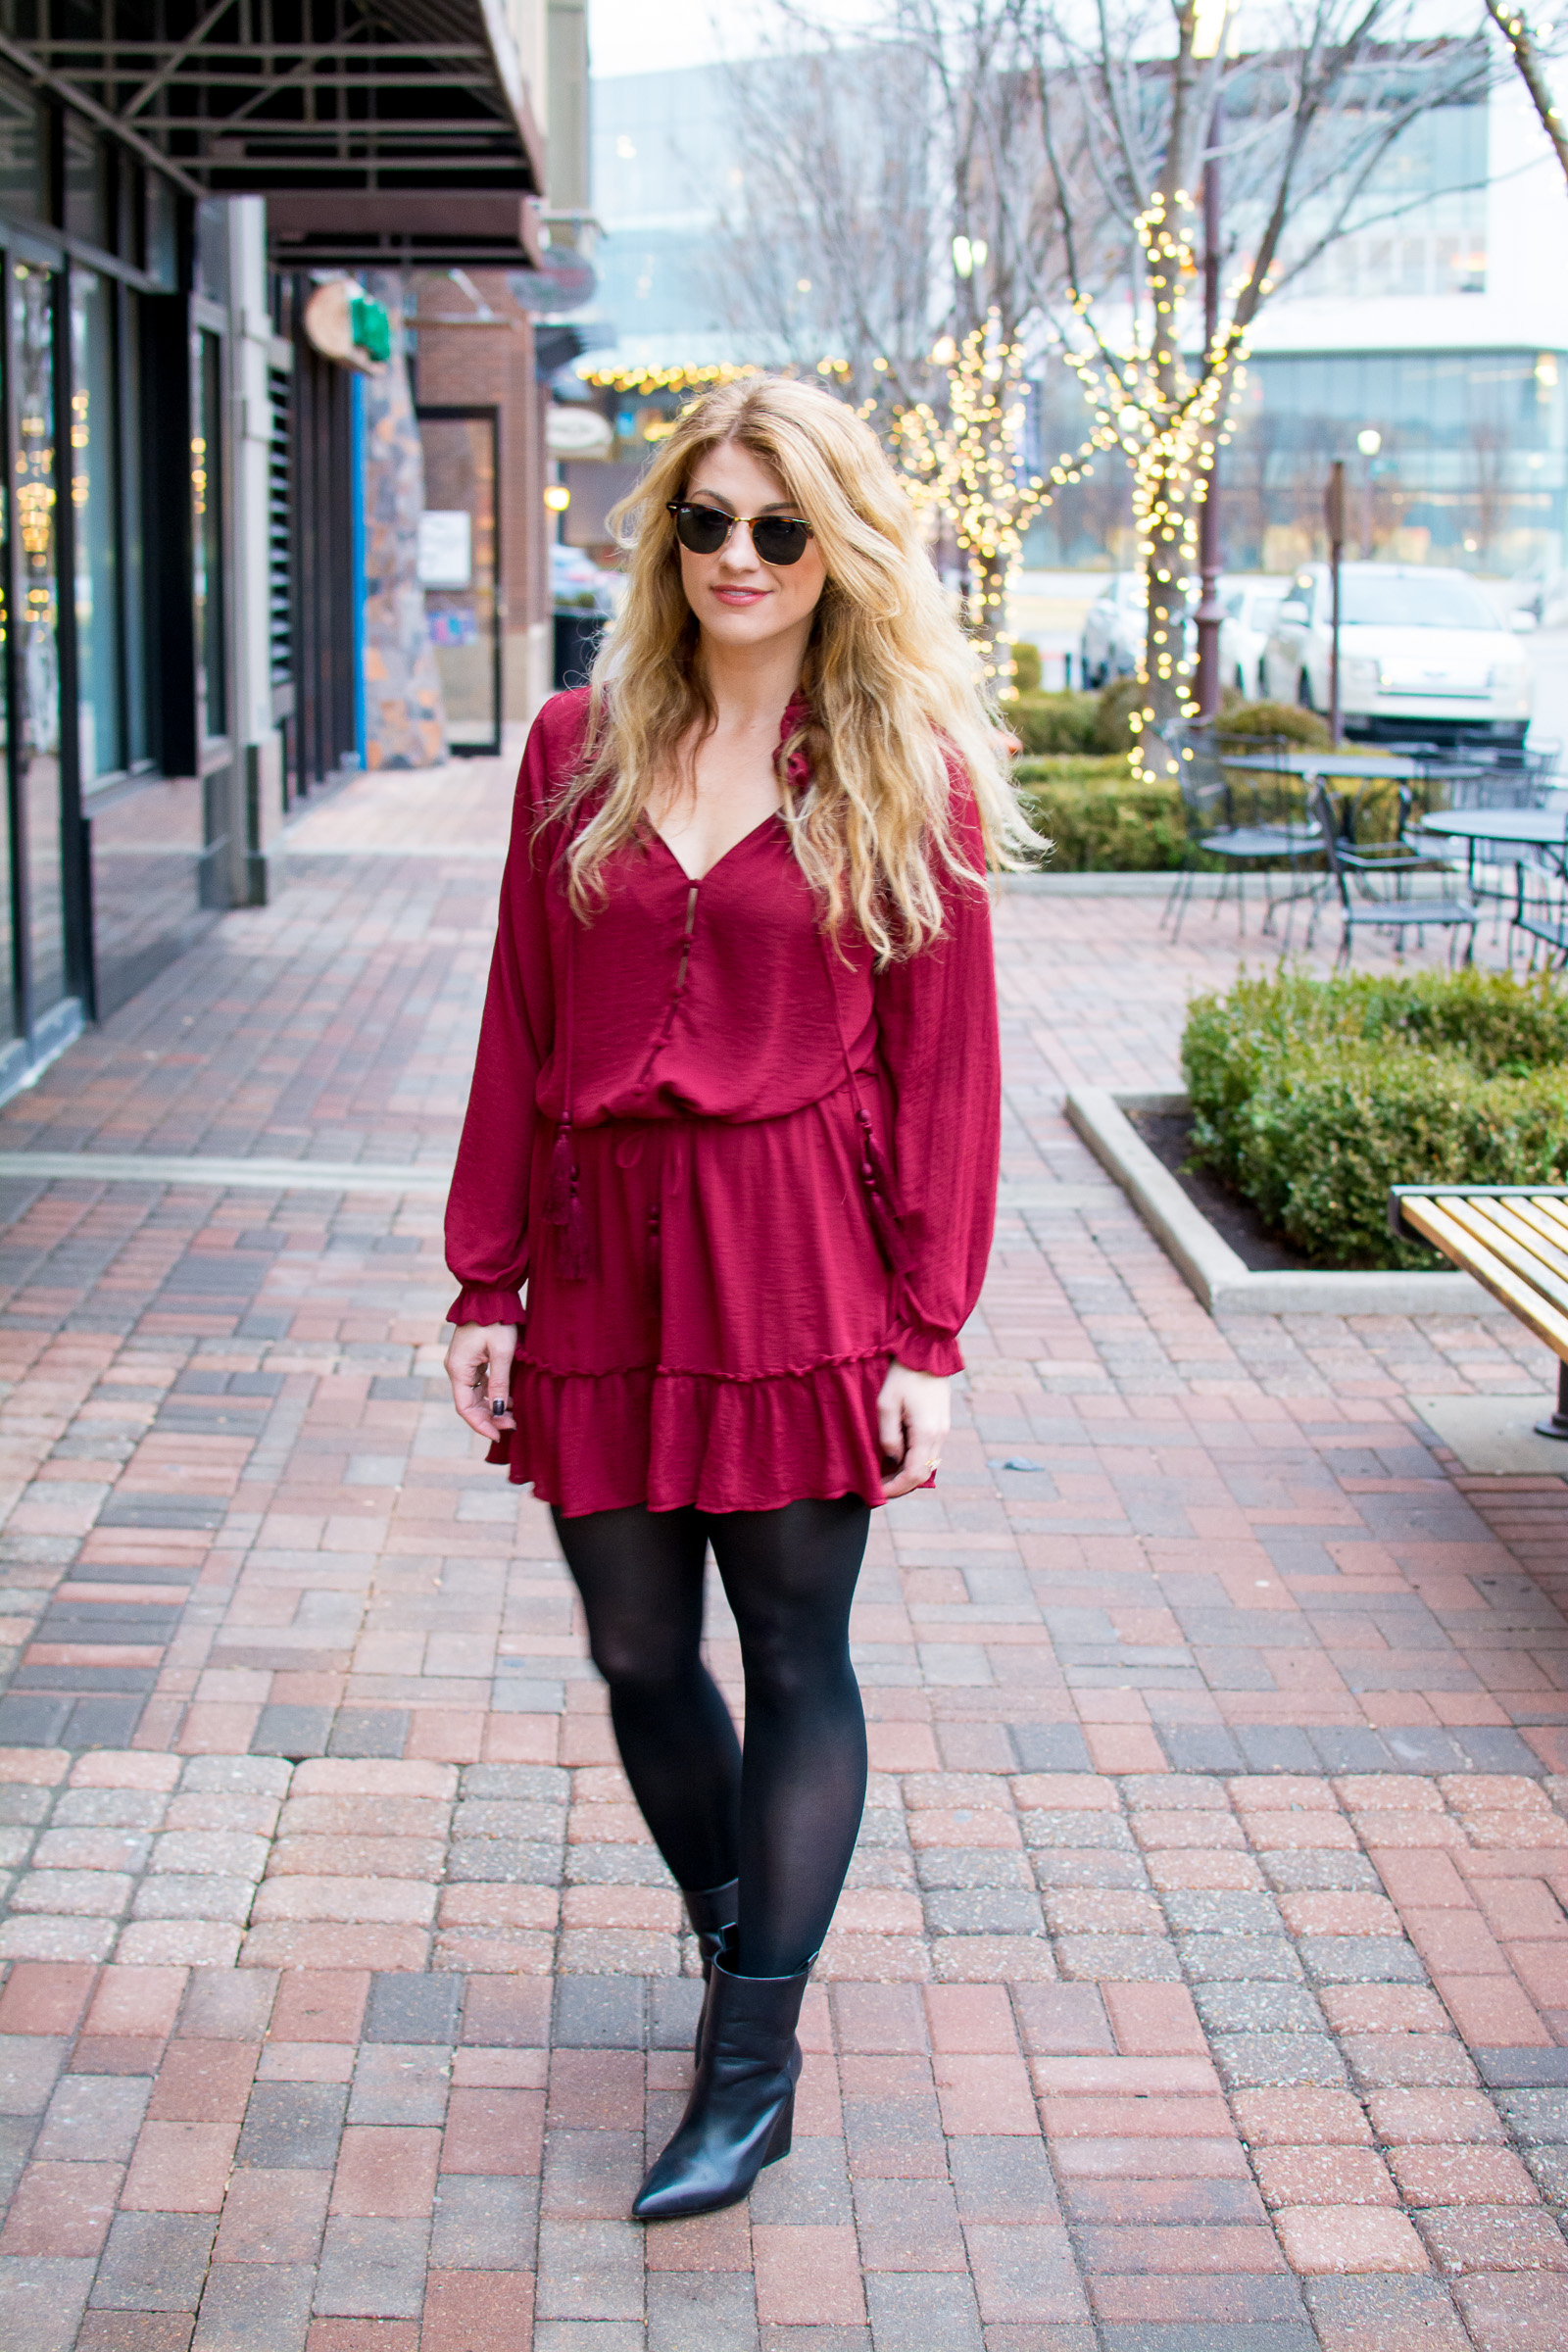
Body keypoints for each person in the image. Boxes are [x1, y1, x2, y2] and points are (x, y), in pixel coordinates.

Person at [442, 375, 1031, 2221]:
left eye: (779, 527)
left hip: (799, 1261)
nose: (740, 559)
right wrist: (485, 1274)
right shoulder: (574, 740)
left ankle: (750, 2065)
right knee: (635, 1646)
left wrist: (932, 1333)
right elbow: (519, 1012)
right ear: (666, 538)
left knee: (792, 1652)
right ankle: (741, 1932)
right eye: (706, 523)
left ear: (836, 546)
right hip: (605, 1247)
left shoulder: (895, 772)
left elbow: (950, 1069)